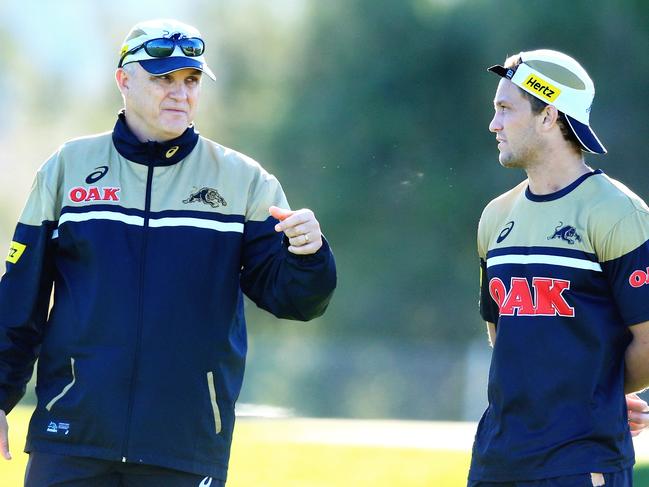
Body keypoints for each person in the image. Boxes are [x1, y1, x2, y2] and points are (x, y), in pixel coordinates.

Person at [0, 18, 336, 486]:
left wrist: (309, 254)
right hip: (71, 438)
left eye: (191, 80)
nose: (180, 92)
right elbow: (20, 300)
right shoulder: (67, 168)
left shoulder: (244, 180)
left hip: (185, 445)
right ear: (124, 80)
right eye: (164, 79)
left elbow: (295, 301)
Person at [470, 49, 649, 487]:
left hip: (578, 463)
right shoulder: (495, 216)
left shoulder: (618, 213)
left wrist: (599, 391)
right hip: (495, 462)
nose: (494, 125)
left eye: (505, 109)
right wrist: (595, 388)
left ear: (548, 116)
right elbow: (502, 334)